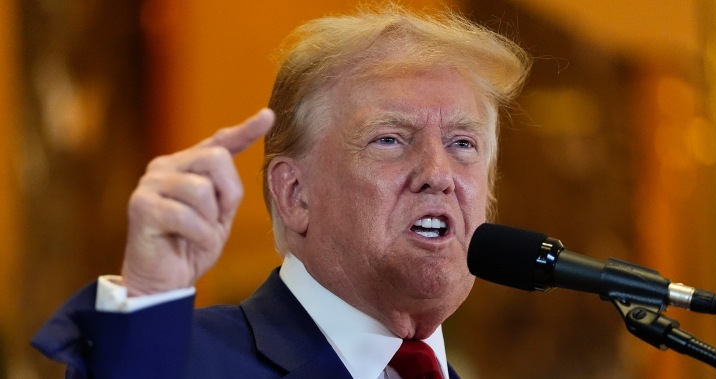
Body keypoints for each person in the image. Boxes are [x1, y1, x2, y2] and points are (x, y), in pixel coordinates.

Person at [32, 3, 530, 378]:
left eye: (463, 143)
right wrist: (149, 305)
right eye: (390, 139)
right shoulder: (190, 361)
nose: (438, 172)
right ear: (294, 194)